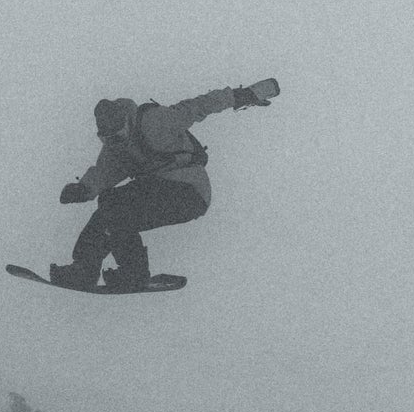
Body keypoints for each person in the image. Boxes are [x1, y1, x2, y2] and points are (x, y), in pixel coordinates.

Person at [49, 80, 273, 291]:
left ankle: (133, 274)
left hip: (188, 190)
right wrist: (83, 189)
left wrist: (244, 95)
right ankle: (84, 270)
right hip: (158, 190)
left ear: (126, 122)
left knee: (115, 204)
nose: (114, 142)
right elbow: (103, 174)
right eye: (107, 139)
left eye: (117, 136)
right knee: (108, 209)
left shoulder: (155, 121)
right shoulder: (116, 148)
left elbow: (198, 106)